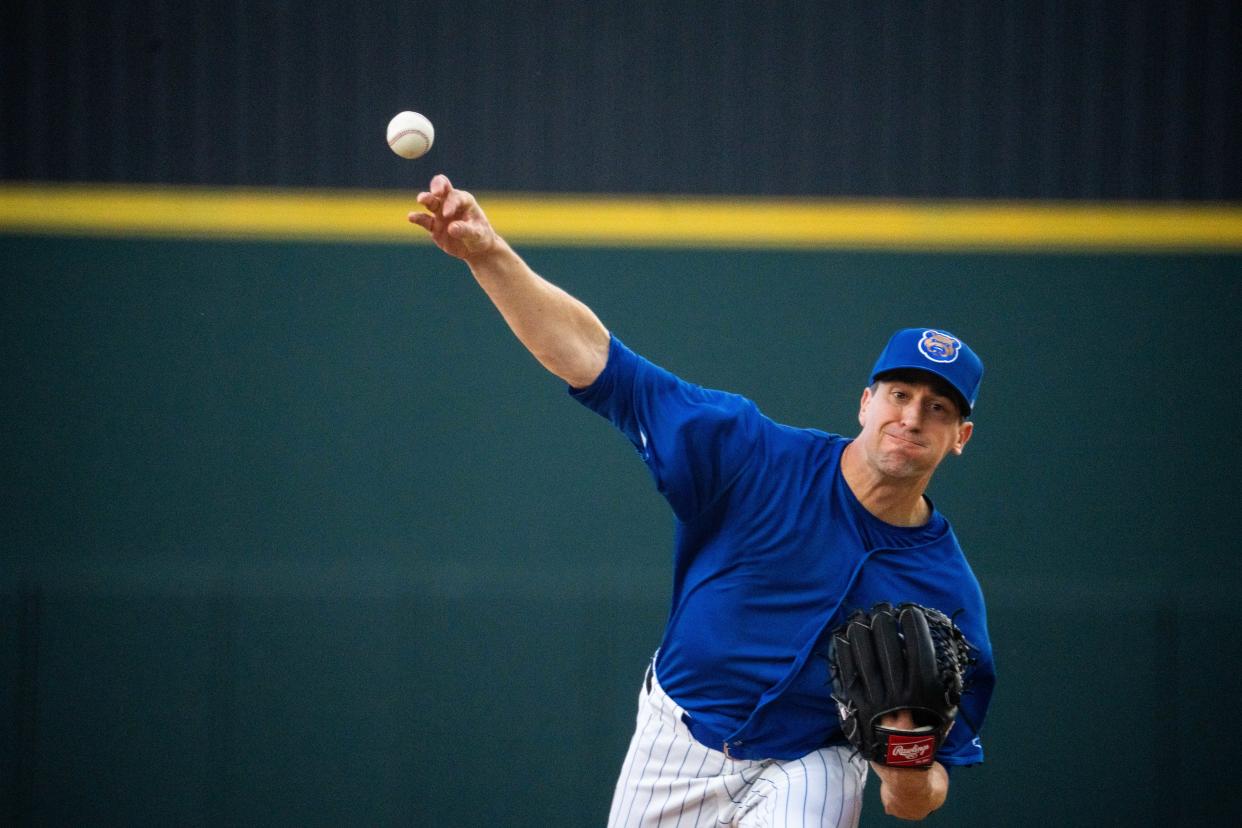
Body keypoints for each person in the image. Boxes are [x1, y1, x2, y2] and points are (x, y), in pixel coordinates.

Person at [409, 175, 995, 826]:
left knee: (823, 782)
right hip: (678, 738)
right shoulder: (752, 455)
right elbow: (601, 365)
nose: (913, 418)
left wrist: (905, 771)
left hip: (810, 761)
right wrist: (488, 254)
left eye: (937, 408)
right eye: (900, 395)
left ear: (960, 438)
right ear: (866, 401)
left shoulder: (947, 591)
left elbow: (924, 791)